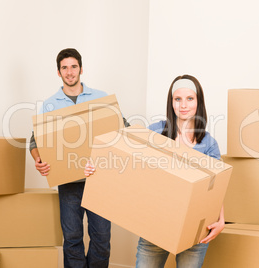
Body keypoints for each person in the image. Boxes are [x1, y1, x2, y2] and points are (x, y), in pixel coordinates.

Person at [85, 74, 224, 268]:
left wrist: (221, 220)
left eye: (190, 99)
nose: (183, 105)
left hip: (192, 233)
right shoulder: (155, 133)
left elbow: (216, 188)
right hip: (156, 227)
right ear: (171, 102)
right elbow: (125, 160)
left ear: (199, 102)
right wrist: (96, 167)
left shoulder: (209, 144)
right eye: (178, 99)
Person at [30, 48, 128, 268]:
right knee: (72, 240)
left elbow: (123, 128)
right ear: (58, 72)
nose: (70, 72)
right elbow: (35, 141)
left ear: (81, 69)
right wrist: (39, 161)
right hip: (69, 184)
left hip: (99, 180)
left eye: (73, 66)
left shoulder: (101, 98)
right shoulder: (50, 104)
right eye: (64, 68)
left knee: (101, 240)